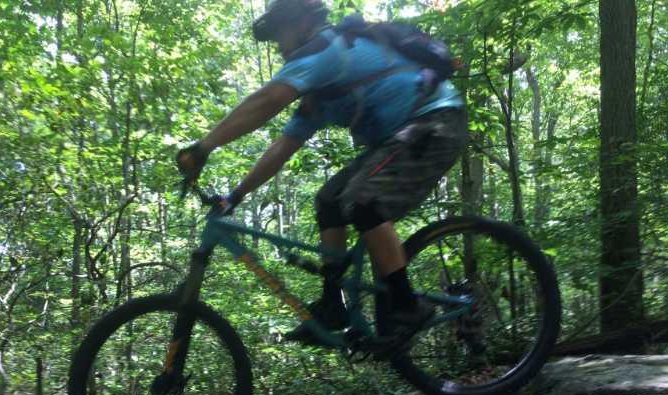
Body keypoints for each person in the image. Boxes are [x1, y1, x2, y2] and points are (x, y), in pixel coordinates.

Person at [176, 0, 463, 348]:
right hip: (398, 137)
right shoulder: (321, 94)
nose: (279, 47)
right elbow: (283, 148)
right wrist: (235, 196)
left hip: (434, 122)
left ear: (302, 23)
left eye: (280, 34)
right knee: (329, 200)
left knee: (363, 199)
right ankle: (333, 305)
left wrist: (203, 147)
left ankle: (407, 306)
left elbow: (266, 101)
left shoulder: (327, 49)